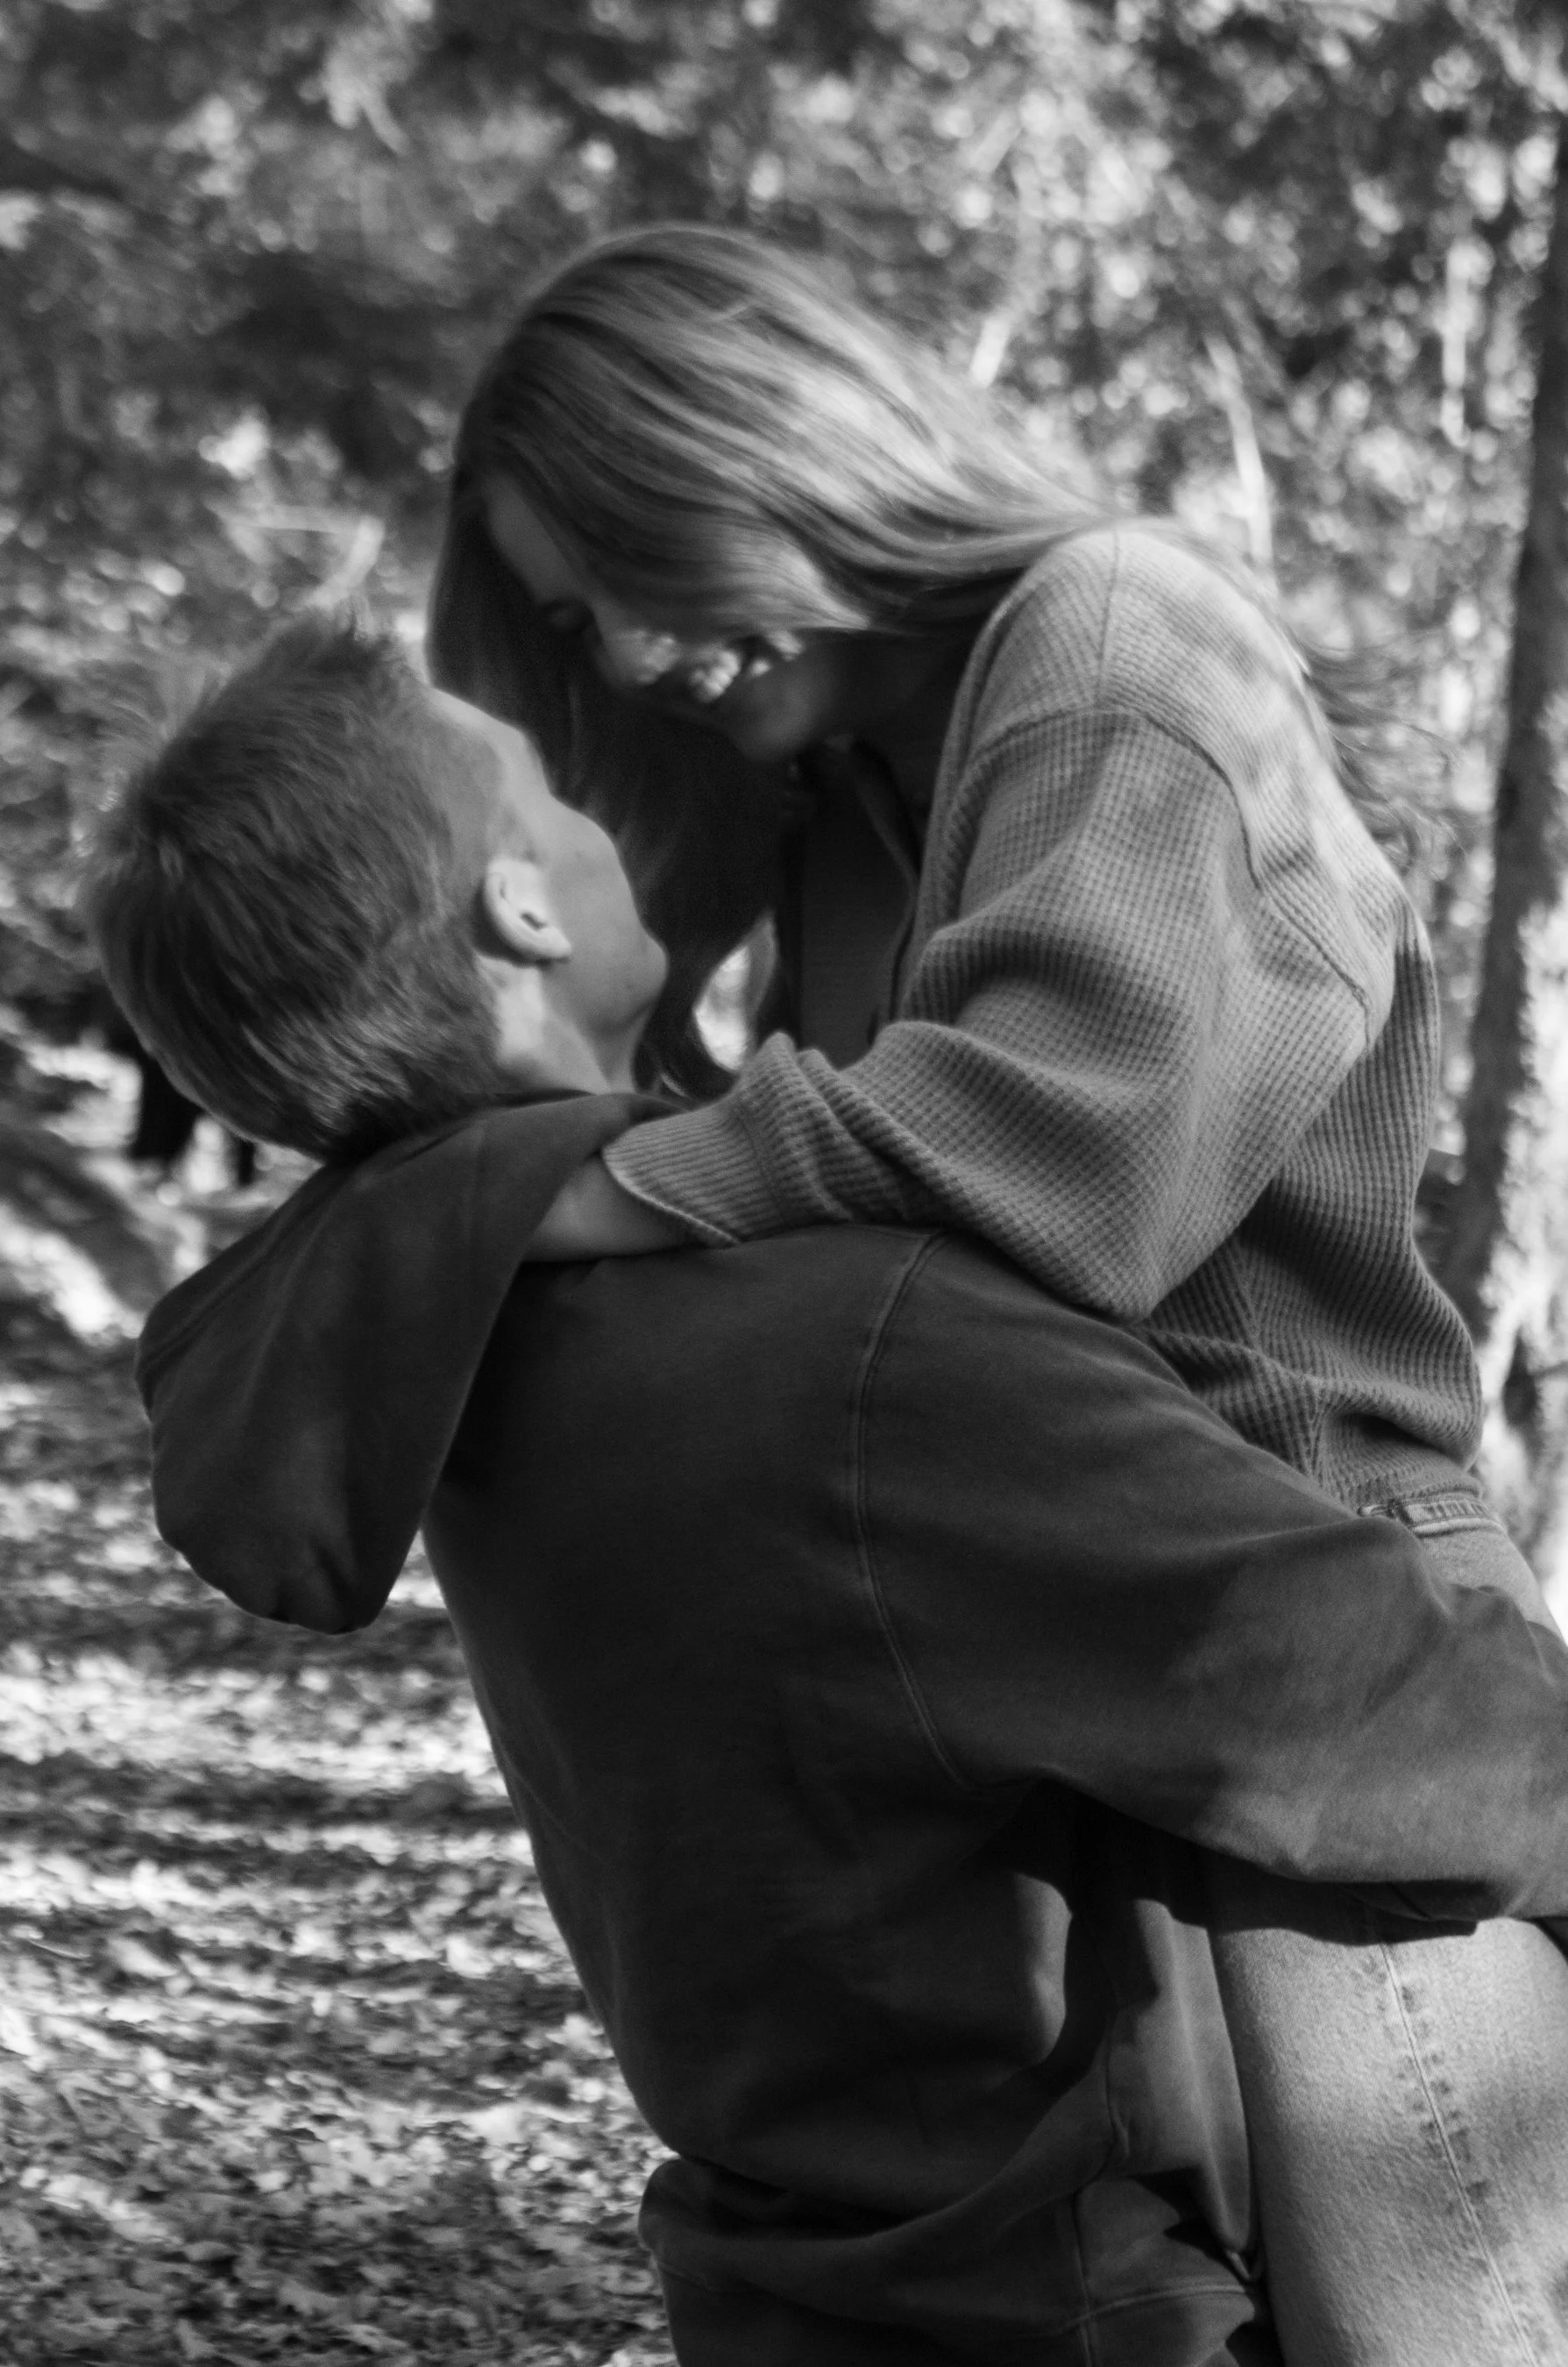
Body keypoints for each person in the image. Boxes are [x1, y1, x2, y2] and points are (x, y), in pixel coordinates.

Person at [89, 616, 1568, 2365]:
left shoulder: (454, 1331)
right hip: (1080, 2302)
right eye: (553, 795)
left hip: (820, 2281)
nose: (601, 817)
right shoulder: (835, 1350)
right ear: (523, 911)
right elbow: (1375, 1714)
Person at [427, 223, 1568, 2363]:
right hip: (1075, 1646)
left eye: (637, 563)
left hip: (1316, 1619)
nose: (644, 654)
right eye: (585, 622)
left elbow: (1062, 1170)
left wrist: (601, 1191)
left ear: (762, 448)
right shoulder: (846, 780)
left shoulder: (1120, 644)